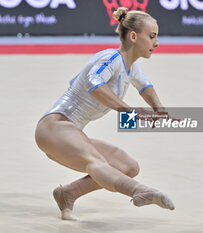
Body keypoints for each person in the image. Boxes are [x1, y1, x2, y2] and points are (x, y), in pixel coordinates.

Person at [35, 7, 175, 221]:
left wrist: (160, 110)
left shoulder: (130, 67)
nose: (156, 43)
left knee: (127, 166)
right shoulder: (111, 58)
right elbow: (94, 83)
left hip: (72, 132)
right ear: (134, 36)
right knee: (96, 160)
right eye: (152, 36)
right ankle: (139, 191)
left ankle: (68, 193)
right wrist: (128, 112)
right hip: (54, 127)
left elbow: (145, 86)